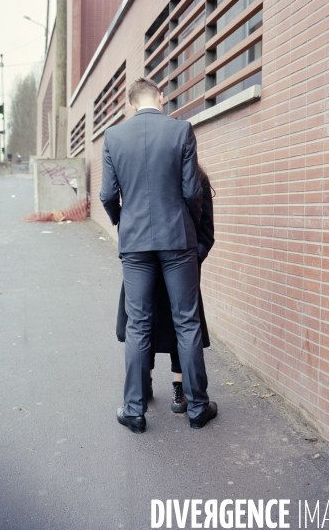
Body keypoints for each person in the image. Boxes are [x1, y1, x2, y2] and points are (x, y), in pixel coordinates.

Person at [100, 77, 217, 434]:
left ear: (130, 103)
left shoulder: (113, 137)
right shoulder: (181, 131)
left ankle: (134, 410)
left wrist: (126, 222)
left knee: (138, 324)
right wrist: (187, 228)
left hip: (135, 243)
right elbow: (191, 190)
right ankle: (197, 407)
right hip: (177, 239)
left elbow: (107, 195)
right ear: (161, 97)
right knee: (187, 321)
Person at [116, 166, 215, 413]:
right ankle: (158, 386)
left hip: (163, 264)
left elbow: (206, 228)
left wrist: (193, 259)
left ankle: (165, 388)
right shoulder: (183, 176)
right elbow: (206, 229)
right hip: (162, 262)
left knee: (159, 325)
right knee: (169, 325)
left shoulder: (190, 177)